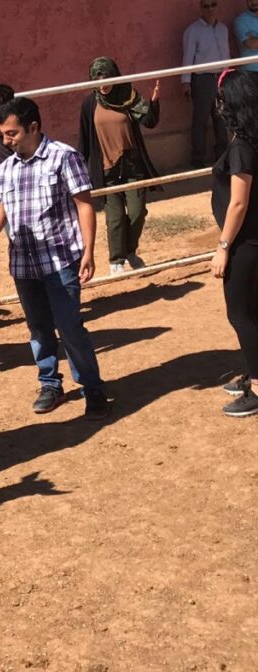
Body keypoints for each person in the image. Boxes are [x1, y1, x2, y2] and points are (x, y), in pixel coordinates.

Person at [0, 97, 110, 420]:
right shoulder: (5, 170)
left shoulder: (64, 157)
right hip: (24, 266)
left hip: (60, 262)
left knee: (70, 327)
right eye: (3, 134)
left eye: (12, 134)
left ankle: (92, 388)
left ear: (33, 127)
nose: (6, 140)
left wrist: (88, 251)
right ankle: (50, 383)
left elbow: (84, 205)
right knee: (39, 329)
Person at [78, 57, 161, 276]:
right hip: (106, 170)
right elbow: (84, 140)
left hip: (132, 165)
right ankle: (116, 260)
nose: (102, 83)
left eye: (106, 77)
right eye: (97, 78)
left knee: (137, 212)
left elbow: (150, 121)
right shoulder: (89, 104)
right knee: (114, 218)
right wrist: (80, 172)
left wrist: (154, 102)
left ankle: (130, 252)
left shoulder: (129, 97)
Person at [210, 69, 258, 416]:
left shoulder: (243, 146)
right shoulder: (250, 139)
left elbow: (238, 203)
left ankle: (257, 386)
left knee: (241, 314)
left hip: (246, 244)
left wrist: (224, 246)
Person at [183, 1, 231, 168]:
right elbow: (188, 57)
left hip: (222, 78)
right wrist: (186, 82)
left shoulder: (223, 29)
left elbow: (226, 55)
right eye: (206, 6)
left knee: (222, 119)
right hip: (202, 79)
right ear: (200, 8)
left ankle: (223, 157)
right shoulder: (193, 31)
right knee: (201, 120)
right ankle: (198, 160)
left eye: (213, 4)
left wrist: (229, 77)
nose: (210, 9)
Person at [233, 0, 258, 71]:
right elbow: (251, 44)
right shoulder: (240, 21)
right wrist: (253, 41)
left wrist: (254, 37)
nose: (253, 2)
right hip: (251, 72)